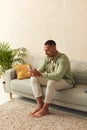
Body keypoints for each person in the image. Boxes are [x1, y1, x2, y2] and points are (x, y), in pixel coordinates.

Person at [29, 40, 75, 118]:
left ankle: (45, 109)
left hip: (66, 82)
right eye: (45, 50)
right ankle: (40, 105)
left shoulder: (63, 58)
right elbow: (41, 69)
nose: (45, 53)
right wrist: (35, 72)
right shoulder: (47, 58)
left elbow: (58, 76)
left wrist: (40, 74)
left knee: (51, 82)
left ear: (54, 48)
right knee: (34, 78)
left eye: (47, 50)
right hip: (54, 80)